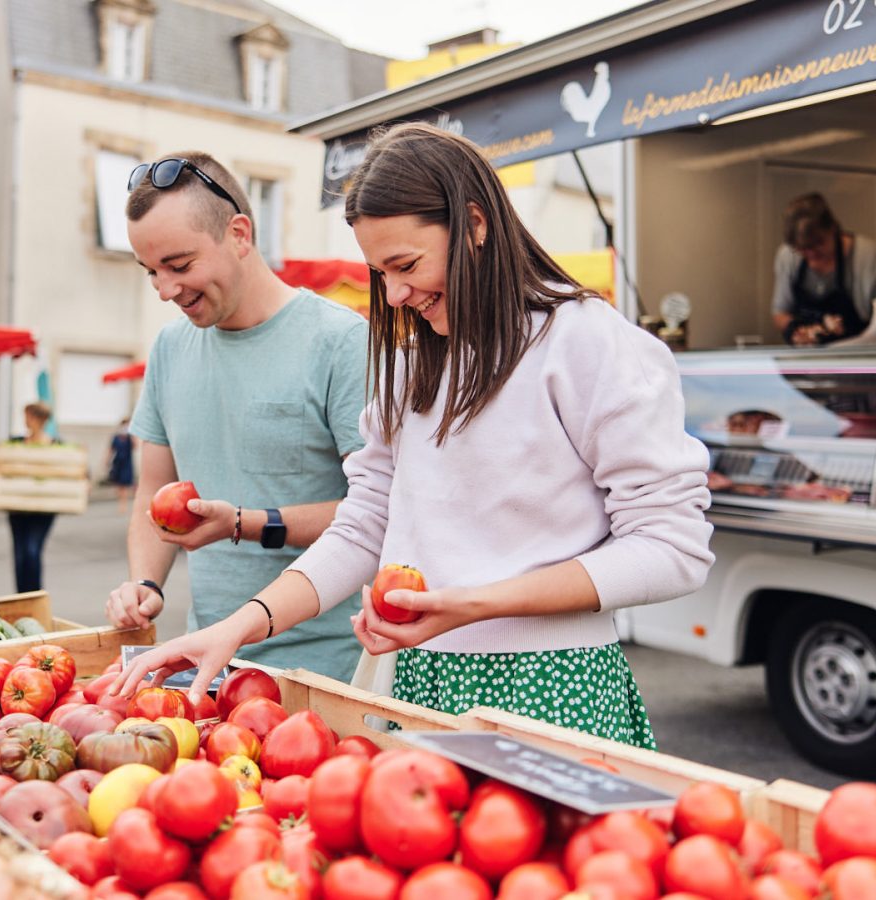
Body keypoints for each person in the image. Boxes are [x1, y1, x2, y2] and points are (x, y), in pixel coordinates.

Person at [115, 123, 714, 748]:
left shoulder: (584, 340)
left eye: (407, 265)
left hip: (552, 686)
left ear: (476, 226)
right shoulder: (407, 365)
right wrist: (240, 626)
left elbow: (673, 550)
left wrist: (475, 604)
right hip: (418, 686)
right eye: (381, 273)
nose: (396, 295)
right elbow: (364, 523)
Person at [103, 150, 369, 681]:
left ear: (240, 235)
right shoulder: (170, 348)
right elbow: (152, 495)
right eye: (151, 271)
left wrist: (246, 525)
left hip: (322, 672)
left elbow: (376, 514)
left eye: (179, 265)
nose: (165, 289)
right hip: (206, 665)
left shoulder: (342, 342)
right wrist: (146, 585)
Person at [772, 193, 876, 346]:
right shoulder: (787, 256)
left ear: (833, 228)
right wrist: (796, 331)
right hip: (805, 361)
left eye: (817, 244)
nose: (811, 254)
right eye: (802, 249)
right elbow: (780, 312)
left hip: (859, 359)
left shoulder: (872, 259)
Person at [2, 402, 62, 593]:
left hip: (44, 509)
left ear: (38, 419)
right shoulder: (16, 442)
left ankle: (34, 594)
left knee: (32, 550)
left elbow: (78, 471)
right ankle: (21, 595)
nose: (25, 420)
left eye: (27, 416)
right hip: (18, 508)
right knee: (20, 554)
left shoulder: (57, 445)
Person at [104, 418, 136, 513]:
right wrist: (106, 461)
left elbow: (135, 447)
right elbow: (110, 449)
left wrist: (132, 435)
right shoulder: (116, 437)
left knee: (125, 484)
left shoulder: (130, 438)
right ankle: (121, 501)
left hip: (127, 463)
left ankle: (123, 504)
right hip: (118, 463)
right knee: (119, 484)